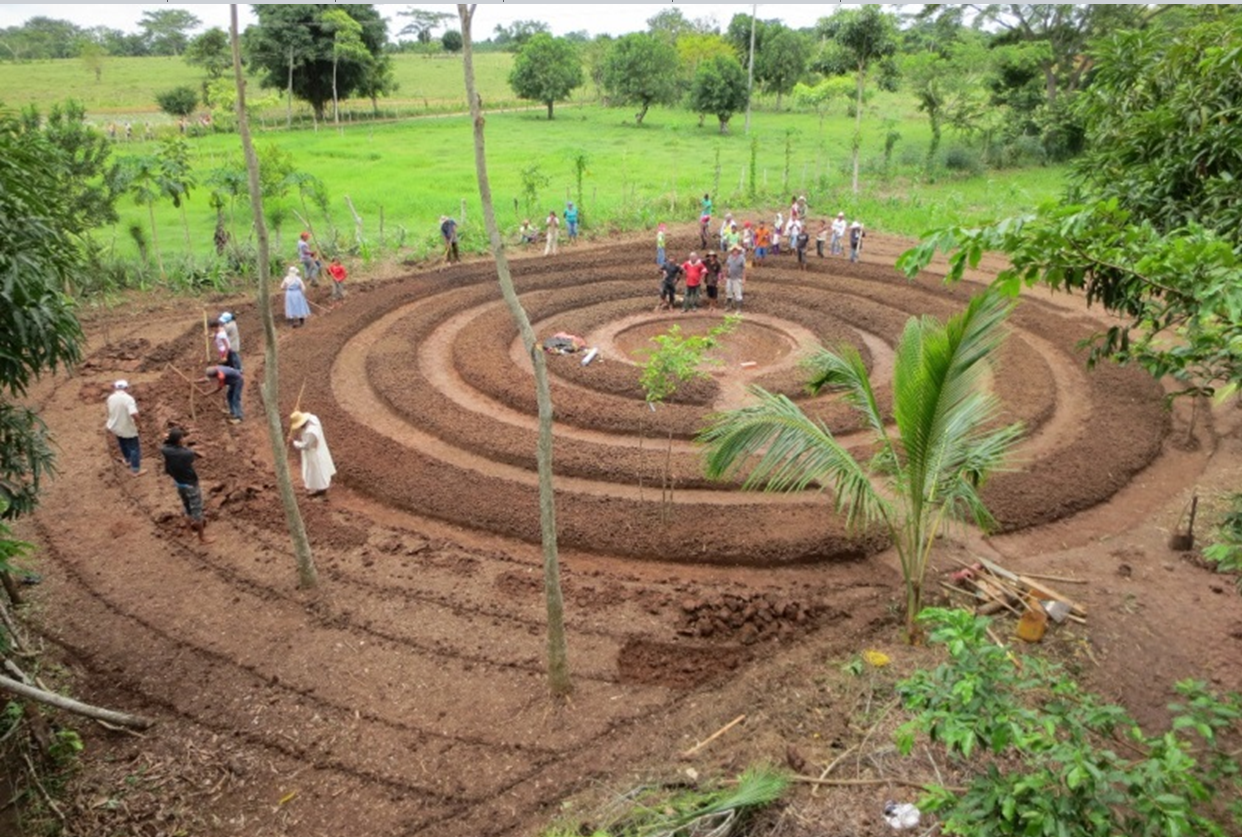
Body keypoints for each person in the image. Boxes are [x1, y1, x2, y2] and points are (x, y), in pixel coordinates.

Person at [161, 427, 213, 544]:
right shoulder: (187, 453)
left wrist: (168, 439)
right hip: (191, 484)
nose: (184, 439)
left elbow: (164, 445)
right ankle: (202, 538)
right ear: (179, 440)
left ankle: (189, 532)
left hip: (179, 483)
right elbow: (190, 455)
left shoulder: (165, 450)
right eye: (182, 437)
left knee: (187, 507)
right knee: (197, 511)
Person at [289, 411, 336, 498]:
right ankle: (317, 488)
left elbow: (306, 445)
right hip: (318, 449)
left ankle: (321, 490)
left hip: (314, 453)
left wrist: (294, 442)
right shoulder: (313, 418)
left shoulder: (311, 432)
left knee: (316, 472)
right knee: (314, 471)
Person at [105, 380, 146, 476]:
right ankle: (135, 470)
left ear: (115, 388)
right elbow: (134, 413)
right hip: (126, 426)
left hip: (115, 425)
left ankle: (128, 460)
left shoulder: (111, 398)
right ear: (126, 388)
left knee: (122, 442)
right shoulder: (128, 399)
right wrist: (139, 424)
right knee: (134, 448)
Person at [724, 244, 746, 311]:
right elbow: (727, 266)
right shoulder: (730, 257)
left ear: (738, 251)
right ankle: (728, 306)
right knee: (728, 291)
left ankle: (738, 308)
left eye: (736, 250)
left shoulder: (741, 258)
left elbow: (744, 269)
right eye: (733, 250)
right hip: (729, 277)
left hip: (737, 277)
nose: (734, 251)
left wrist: (744, 278)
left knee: (737, 293)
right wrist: (725, 275)